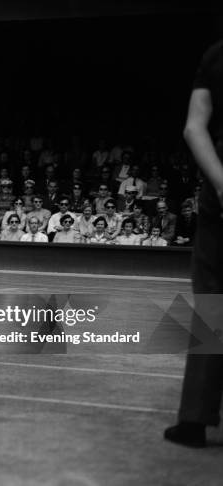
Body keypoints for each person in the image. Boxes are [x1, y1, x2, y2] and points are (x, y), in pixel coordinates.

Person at [165, 40, 223, 448]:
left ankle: (194, 420)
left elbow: (193, 127)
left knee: (212, 307)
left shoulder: (218, 54)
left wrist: (221, 183)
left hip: (220, 195)